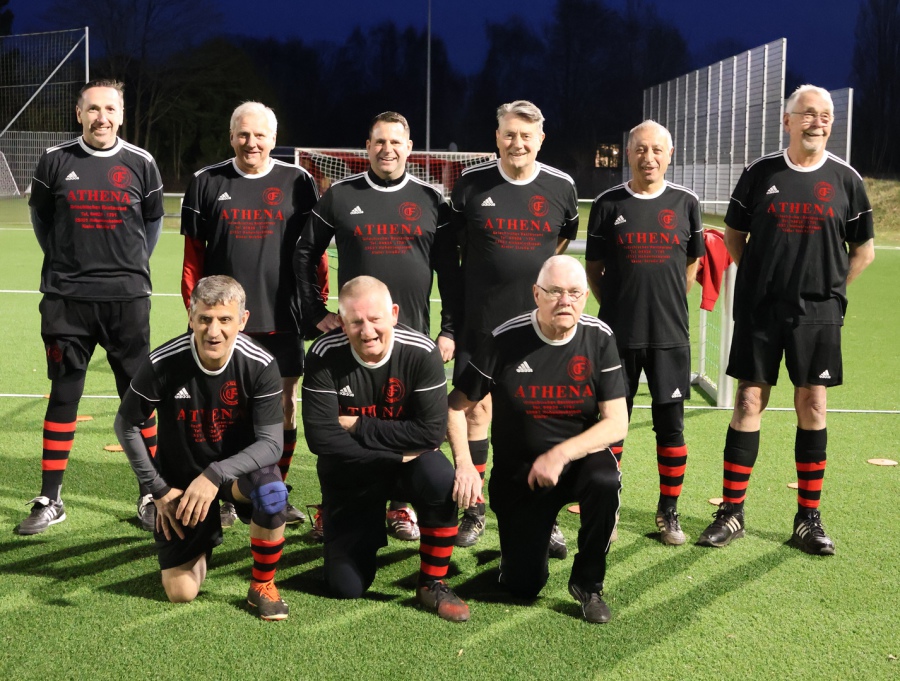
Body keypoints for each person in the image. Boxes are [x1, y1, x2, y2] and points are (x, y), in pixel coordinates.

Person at [697, 85, 875, 555]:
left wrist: (831, 291)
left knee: (813, 404)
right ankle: (731, 512)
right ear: (788, 121)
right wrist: (760, 280)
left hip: (817, 314)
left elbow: (863, 251)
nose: (817, 122)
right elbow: (734, 235)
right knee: (748, 400)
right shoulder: (761, 173)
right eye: (808, 114)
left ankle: (807, 519)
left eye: (825, 116)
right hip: (761, 310)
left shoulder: (847, 179)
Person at [295, 111, 463, 541]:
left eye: (395, 142)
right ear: (367, 147)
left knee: (400, 418)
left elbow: (450, 271)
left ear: (409, 148)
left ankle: (399, 506)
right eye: (379, 142)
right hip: (355, 337)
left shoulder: (432, 200)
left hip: (411, 339)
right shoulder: (340, 196)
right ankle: (336, 503)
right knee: (345, 421)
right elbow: (304, 252)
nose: (388, 149)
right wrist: (315, 312)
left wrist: (448, 329)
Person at [18, 78, 164, 535]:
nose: (102, 117)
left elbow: (152, 224)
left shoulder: (142, 162)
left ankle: (151, 494)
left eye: (110, 109)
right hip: (67, 301)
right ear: (79, 114)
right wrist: (66, 264)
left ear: (121, 115)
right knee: (64, 395)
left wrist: (128, 269)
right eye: (93, 109)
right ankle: (51, 498)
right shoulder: (54, 160)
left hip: (127, 302)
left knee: (138, 399)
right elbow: (41, 219)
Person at [448, 256, 627, 623]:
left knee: (605, 480)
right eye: (555, 292)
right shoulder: (504, 339)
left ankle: (588, 584)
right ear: (536, 294)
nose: (565, 301)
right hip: (521, 474)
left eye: (574, 293)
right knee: (523, 587)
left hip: (578, 464)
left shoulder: (599, 336)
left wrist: (560, 455)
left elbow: (616, 422)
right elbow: (454, 407)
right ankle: (534, 543)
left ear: (585, 297)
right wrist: (465, 465)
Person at [181, 101, 327, 529]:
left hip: (282, 317)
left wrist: (315, 306)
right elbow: (193, 258)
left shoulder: (298, 181)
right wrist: (196, 313)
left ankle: (273, 489)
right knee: (222, 409)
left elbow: (314, 253)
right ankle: (225, 495)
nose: (252, 142)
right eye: (243, 134)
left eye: (260, 135)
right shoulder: (206, 182)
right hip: (223, 322)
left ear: (273, 139)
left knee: (283, 406)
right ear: (231, 137)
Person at [114, 276, 291, 620]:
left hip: (237, 476)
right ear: (191, 317)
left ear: (242, 320)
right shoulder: (164, 361)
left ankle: (262, 584)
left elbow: (271, 445)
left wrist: (214, 475)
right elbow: (126, 424)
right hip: (182, 482)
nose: (214, 331)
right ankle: (205, 532)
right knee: (181, 593)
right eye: (205, 319)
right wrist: (158, 490)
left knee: (272, 492)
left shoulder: (261, 363)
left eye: (225, 319)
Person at [301, 276, 476, 622]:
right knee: (345, 587)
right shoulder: (323, 353)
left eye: (375, 319)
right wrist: (395, 452)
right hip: (353, 471)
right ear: (342, 322)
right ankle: (355, 534)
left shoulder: (421, 350)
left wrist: (358, 425)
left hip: (404, 467)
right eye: (355, 322)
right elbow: (321, 438)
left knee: (440, 479)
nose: (367, 331)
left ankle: (432, 582)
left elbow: (430, 432)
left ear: (394, 314)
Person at [449, 100, 578, 552]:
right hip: (481, 324)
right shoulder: (470, 184)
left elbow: (562, 240)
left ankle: (546, 514)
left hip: (538, 329)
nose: (517, 143)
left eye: (526, 135)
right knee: (475, 412)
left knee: (540, 417)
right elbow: (457, 244)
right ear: (497, 137)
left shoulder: (561, 186)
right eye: (509, 134)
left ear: (541, 139)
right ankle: (474, 509)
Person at [585, 120, 705, 545]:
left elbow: (691, 265)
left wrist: (663, 303)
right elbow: (594, 270)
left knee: (671, 428)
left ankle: (668, 511)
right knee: (611, 426)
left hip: (669, 336)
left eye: (657, 150)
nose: (648, 157)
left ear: (669, 155)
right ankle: (608, 510)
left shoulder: (686, 203)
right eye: (640, 149)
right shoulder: (607, 204)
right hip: (617, 338)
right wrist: (622, 307)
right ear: (629, 153)